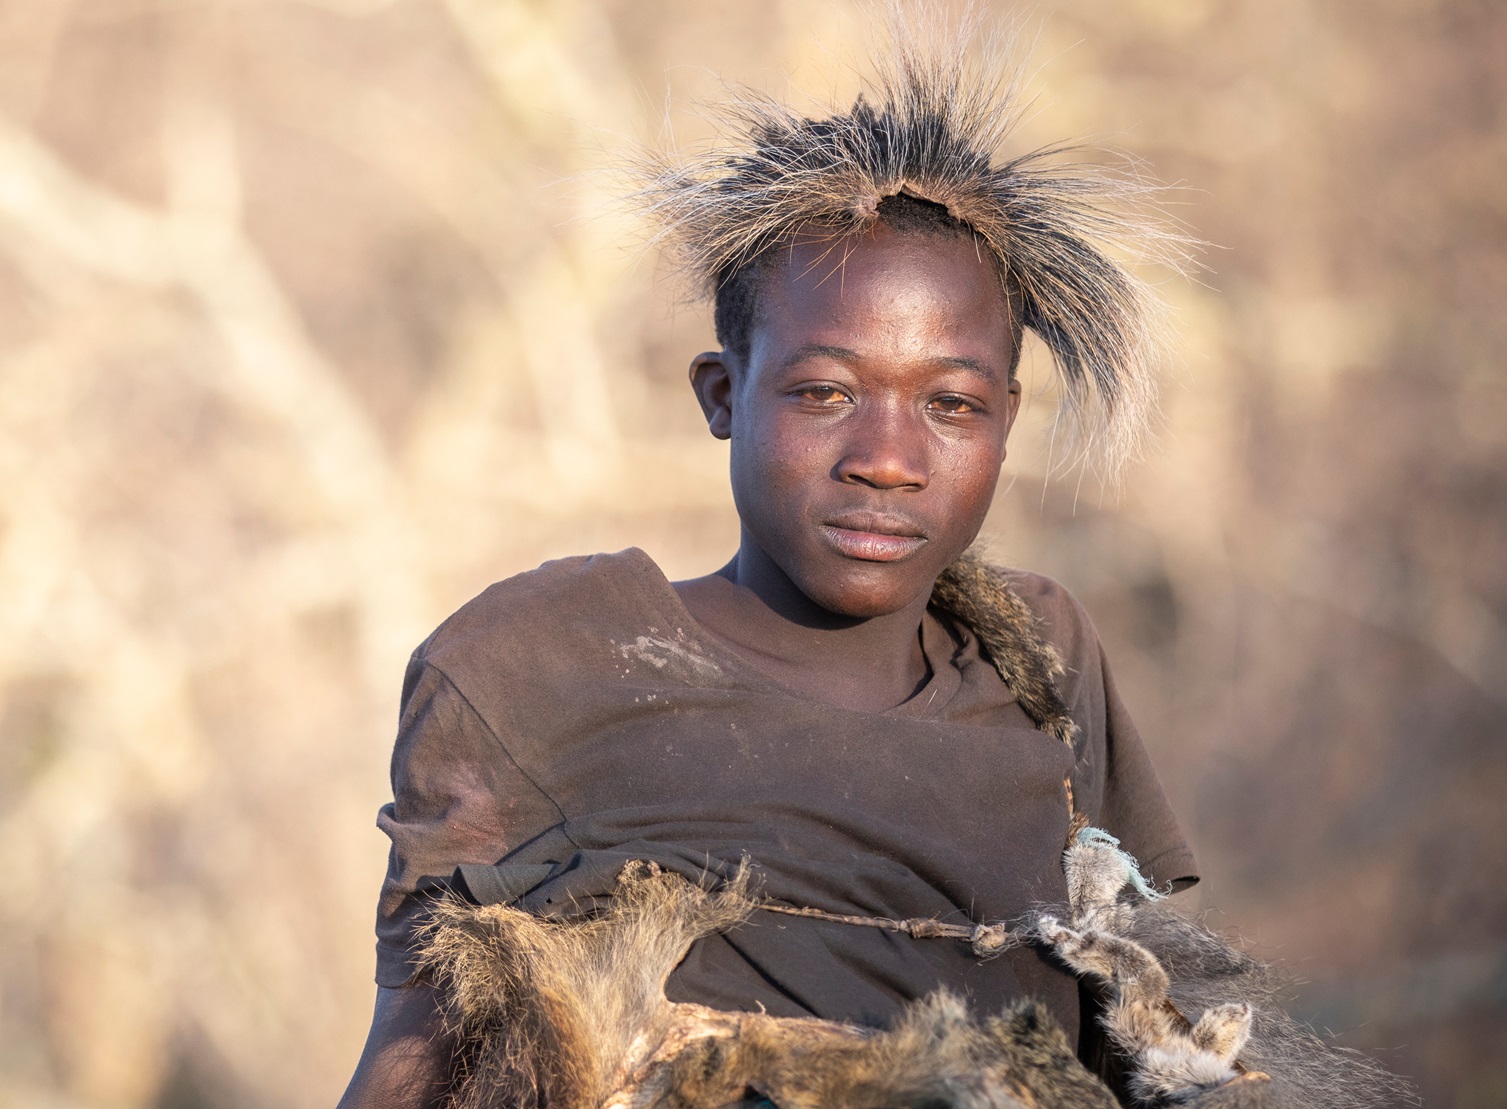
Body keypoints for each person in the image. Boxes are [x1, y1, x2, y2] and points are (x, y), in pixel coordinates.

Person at [338, 25, 1199, 1109]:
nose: (887, 459)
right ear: (720, 394)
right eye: (824, 393)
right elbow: (412, 1059)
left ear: (1007, 421)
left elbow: (1138, 1035)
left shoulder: (1036, 663)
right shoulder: (537, 664)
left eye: (951, 404)